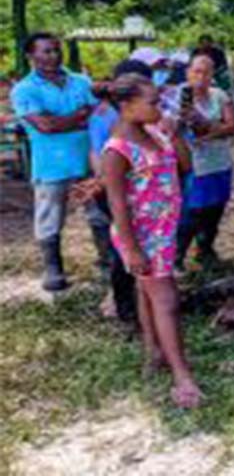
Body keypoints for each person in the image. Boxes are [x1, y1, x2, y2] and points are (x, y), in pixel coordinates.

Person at [100, 73, 202, 408]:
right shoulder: (117, 150)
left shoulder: (156, 133)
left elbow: (185, 167)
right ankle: (183, 378)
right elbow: (116, 203)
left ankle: (153, 353)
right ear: (127, 106)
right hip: (142, 236)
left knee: (147, 291)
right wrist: (130, 248)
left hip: (164, 229)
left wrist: (175, 135)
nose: (160, 106)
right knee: (167, 300)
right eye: (153, 102)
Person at [12, 32, 101, 292]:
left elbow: (96, 115)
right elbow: (45, 126)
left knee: (98, 213)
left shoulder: (81, 81)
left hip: (89, 160)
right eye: (46, 51)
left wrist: (62, 119)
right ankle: (53, 269)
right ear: (31, 56)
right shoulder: (24, 89)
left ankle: (106, 262)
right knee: (50, 217)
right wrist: (79, 116)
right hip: (51, 165)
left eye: (56, 50)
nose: (54, 56)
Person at [81, 59, 154, 325]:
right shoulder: (104, 116)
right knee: (123, 248)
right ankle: (126, 309)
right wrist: (103, 183)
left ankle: (146, 299)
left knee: (144, 244)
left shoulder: (150, 110)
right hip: (118, 192)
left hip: (146, 195)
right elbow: (100, 154)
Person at [173, 53, 234, 269]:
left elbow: (233, 127)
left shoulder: (218, 95)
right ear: (188, 72)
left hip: (219, 161)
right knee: (192, 211)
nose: (201, 76)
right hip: (193, 163)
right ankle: (178, 256)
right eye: (196, 71)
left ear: (213, 74)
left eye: (207, 71)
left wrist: (207, 129)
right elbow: (173, 131)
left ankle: (206, 249)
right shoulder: (176, 97)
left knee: (215, 208)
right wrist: (216, 128)